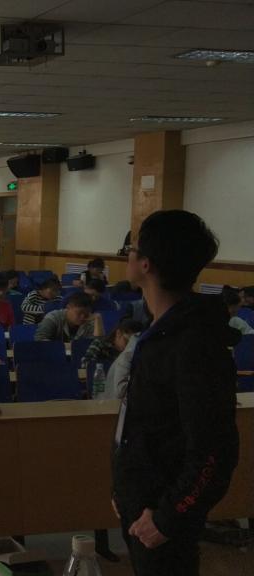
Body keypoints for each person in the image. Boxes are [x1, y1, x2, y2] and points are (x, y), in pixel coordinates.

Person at [112, 210, 239, 576]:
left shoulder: (193, 344)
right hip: (142, 501)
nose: (127, 255)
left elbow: (214, 451)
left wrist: (168, 518)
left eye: (131, 248)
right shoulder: (162, 331)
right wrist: (125, 486)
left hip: (163, 513)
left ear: (146, 264)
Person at [35, 292, 103, 342]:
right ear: (68, 307)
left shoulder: (90, 319)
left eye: (86, 313)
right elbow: (40, 340)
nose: (83, 317)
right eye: (79, 313)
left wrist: (98, 320)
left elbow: (97, 346)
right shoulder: (53, 317)